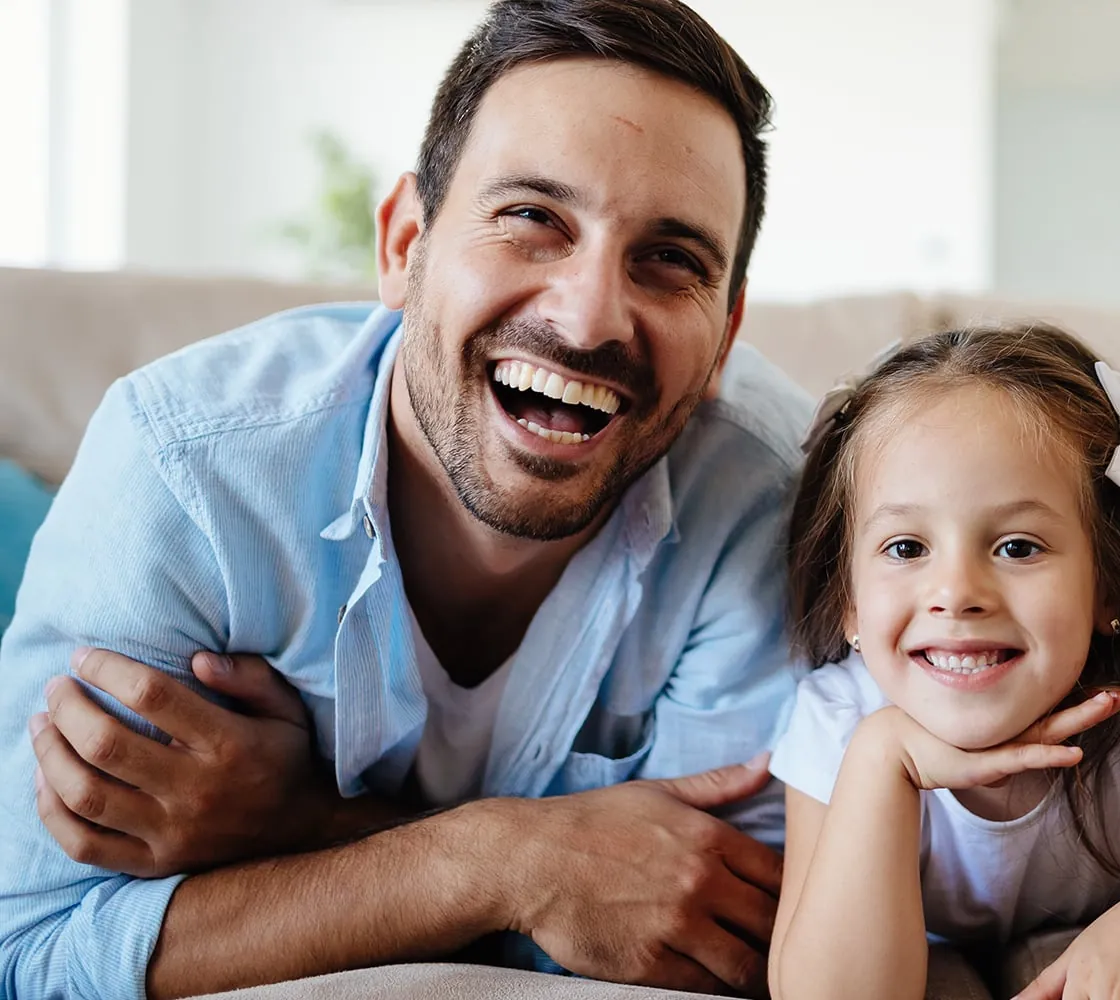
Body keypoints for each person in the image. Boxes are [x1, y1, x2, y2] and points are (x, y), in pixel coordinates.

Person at [1, 2, 814, 997]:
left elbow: (719, 934)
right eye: (531, 219)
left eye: (671, 260)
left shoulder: (776, 503)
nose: (591, 314)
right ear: (403, 243)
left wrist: (299, 825)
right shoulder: (186, 469)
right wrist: (504, 862)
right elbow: (29, 950)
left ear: (726, 335)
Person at [767, 326, 1120, 1000]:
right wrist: (884, 755)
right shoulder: (837, 721)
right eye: (906, 548)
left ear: (1109, 586)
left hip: (1087, 936)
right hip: (912, 954)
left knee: (1063, 958)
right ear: (849, 603)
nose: (956, 594)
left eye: (1016, 547)